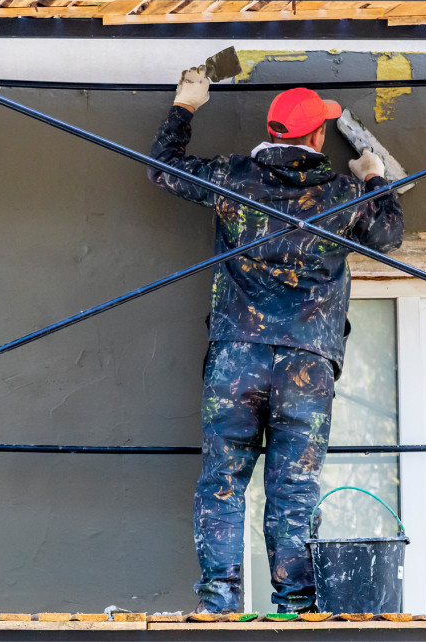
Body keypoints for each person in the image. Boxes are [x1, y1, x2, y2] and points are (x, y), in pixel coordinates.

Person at [148, 65, 404, 614]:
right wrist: (374, 174)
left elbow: (164, 168)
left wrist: (186, 106)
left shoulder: (234, 177)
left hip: (238, 354)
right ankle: (296, 604)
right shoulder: (341, 192)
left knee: (223, 480)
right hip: (307, 364)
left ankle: (219, 602)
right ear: (316, 137)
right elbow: (389, 235)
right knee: (294, 489)